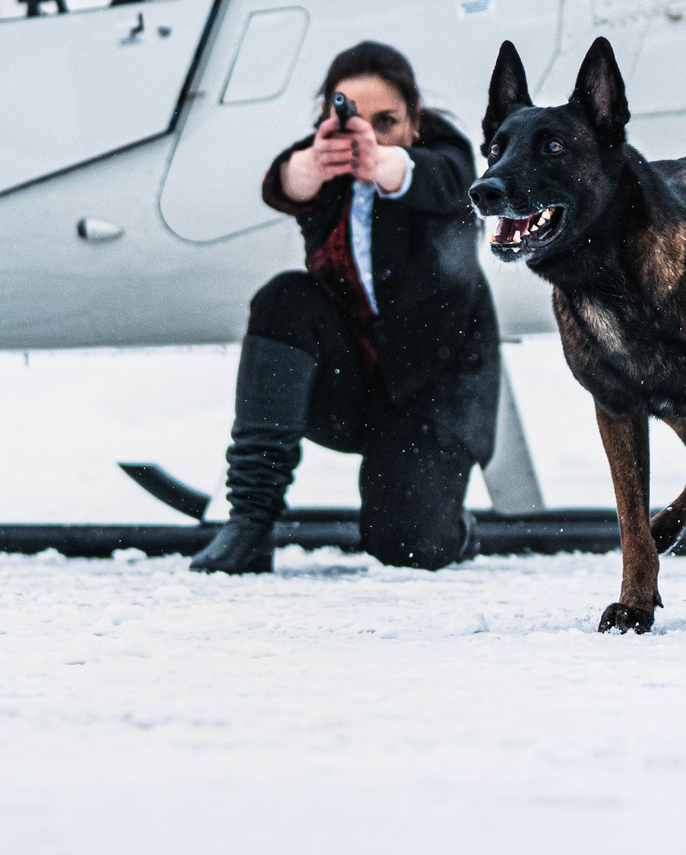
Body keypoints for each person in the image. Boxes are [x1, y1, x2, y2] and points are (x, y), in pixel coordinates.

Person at [191, 41, 501, 574]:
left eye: (388, 121)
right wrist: (310, 164)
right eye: (357, 118)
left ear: (415, 121)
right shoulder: (322, 159)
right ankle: (249, 520)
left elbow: (444, 180)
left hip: (434, 395)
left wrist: (379, 161)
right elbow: (282, 182)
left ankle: (455, 527)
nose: (370, 132)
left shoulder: (445, 157)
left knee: (407, 546)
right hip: (351, 383)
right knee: (283, 299)